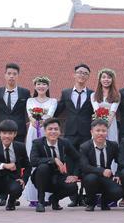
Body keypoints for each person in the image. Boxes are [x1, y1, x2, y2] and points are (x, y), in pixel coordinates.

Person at [57, 63, 94, 207]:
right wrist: (42, 116)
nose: (82, 75)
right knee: (71, 163)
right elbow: (57, 110)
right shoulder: (66, 93)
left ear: (88, 76)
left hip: (86, 132)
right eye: (79, 72)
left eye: (85, 73)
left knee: (84, 163)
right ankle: (73, 196)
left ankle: (84, 195)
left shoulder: (92, 94)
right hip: (70, 133)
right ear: (74, 75)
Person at [29, 118, 80, 212]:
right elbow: (33, 161)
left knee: (73, 187)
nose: (53, 132)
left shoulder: (65, 143)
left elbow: (77, 158)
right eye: (50, 129)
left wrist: (74, 175)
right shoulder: (37, 143)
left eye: (56, 129)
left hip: (59, 176)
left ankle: (54, 199)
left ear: (60, 131)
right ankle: (40, 202)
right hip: (41, 177)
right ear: (45, 131)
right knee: (43, 167)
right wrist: (53, 160)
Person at [22, 76, 58, 206]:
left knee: (47, 160)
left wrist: (42, 122)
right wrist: (35, 121)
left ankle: (47, 196)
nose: (41, 86)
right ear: (35, 86)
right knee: (33, 159)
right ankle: (33, 196)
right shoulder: (30, 100)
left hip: (47, 131)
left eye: (44, 84)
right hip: (33, 131)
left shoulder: (53, 101)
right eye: (38, 84)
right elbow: (30, 115)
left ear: (48, 87)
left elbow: (50, 114)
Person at [0, 120, 31, 212]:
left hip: (13, 179)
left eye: (10, 133)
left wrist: (24, 180)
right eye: (4, 133)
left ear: (15, 134)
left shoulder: (20, 147)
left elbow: (28, 166)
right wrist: (4, 165)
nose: (7, 136)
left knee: (17, 187)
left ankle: (11, 201)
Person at [79, 119, 123, 211]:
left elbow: (121, 162)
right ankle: (91, 203)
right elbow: (85, 167)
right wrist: (102, 171)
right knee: (91, 179)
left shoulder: (113, 145)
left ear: (107, 132)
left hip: (107, 177)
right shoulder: (85, 147)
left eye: (103, 131)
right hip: (91, 175)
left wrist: (118, 174)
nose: (101, 133)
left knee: (118, 191)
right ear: (92, 132)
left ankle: (104, 202)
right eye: (98, 131)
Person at [0, 63, 31, 141]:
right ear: (5, 75)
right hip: (1, 130)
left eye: (14, 74)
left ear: (18, 76)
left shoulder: (25, 92)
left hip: (19, 131)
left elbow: (31, 108)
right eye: (9, 73)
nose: (11, 76)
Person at [91, 68, 121, 142]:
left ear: (112, 80)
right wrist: (100, 128)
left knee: (111, 142)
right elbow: (96, 110)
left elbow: (113, 111)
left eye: (109, 77)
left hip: (111, 123)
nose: (106, 79)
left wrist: (105, 127)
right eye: (104, 77)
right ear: (100, 80)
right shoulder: (93, 95)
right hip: (98, 123)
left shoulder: (117, 95)